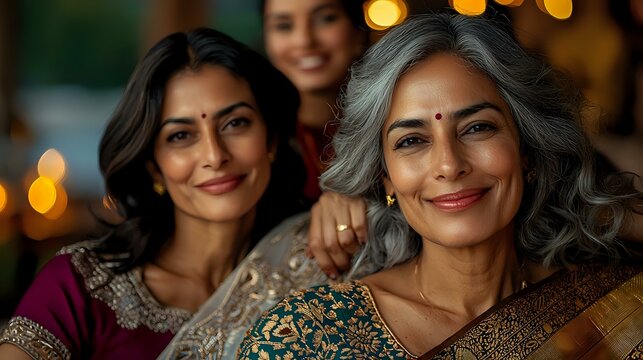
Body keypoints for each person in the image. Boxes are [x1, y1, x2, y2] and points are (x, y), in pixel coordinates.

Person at [239, 13, 643, 359]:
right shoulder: (310, 336)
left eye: (478, 128)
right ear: (385, 176)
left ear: (527, 152)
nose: (449, 165)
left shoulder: (614, 310)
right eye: (411, 141)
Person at [0, 27, 326, 359]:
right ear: (154, 165)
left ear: (270, 138)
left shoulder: (318, 262)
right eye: (181, 135)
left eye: (235, 123)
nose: (214, 156)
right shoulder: (80, 287)